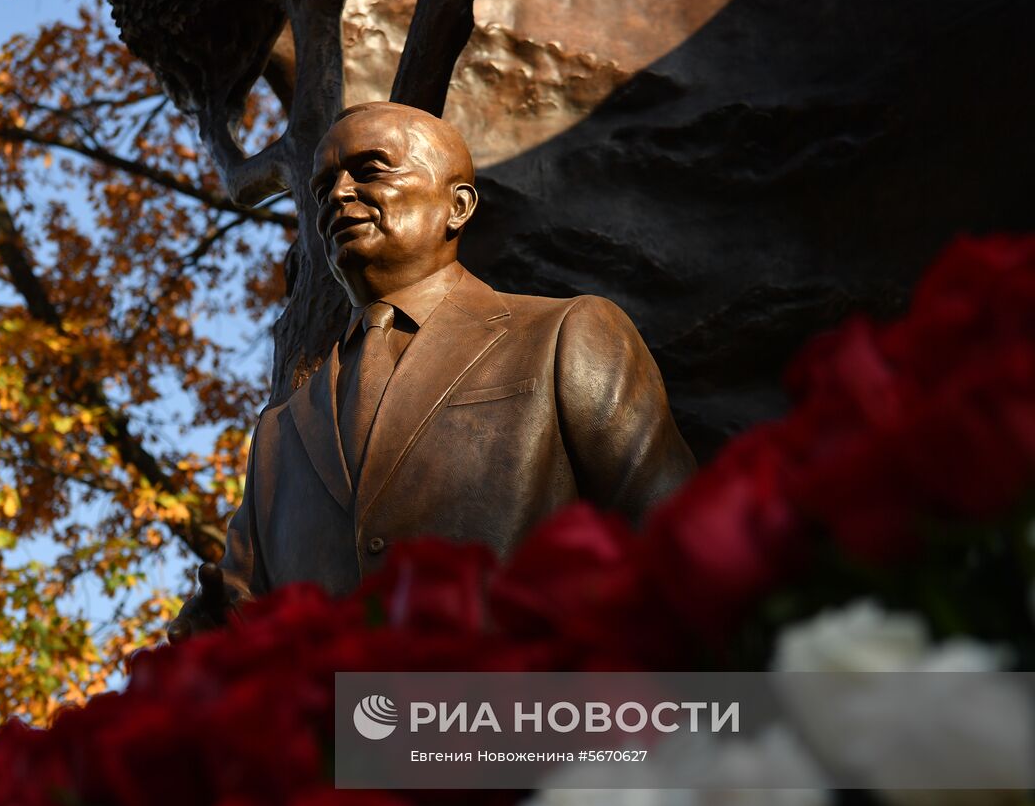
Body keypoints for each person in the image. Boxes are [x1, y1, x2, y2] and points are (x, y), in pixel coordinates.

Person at [168, 101, 695, 641]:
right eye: (323, 188)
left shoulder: (566, 334)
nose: (338, 196)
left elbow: (678, 542)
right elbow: (242, 607)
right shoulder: (279, 433)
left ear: (458, 206)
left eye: (371, 169)